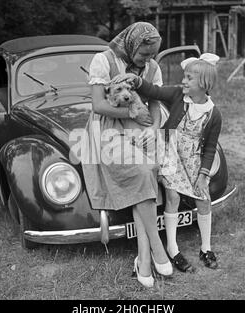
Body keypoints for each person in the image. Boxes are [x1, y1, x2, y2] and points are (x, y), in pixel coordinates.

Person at [82, 22, 173, 288]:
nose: (148, 59)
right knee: (143, 172)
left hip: (142, 128)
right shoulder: (103, 60)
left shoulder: (153, 68)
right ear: (132, 44)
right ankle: (157, 247)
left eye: (152, 54)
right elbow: (98, 105)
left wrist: (154, 128)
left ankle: (143, 260)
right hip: (108, 128)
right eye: (144, 54)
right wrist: (132, 113)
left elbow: (154, 103)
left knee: (147, 177)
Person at [115, 53, 221, 271]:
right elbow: (154, 91)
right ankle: (172, 249)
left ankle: (206, 248)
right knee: (172, 196)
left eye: (189, 78)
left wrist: (203, 174)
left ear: (203, 83)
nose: (183, 81)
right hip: (168, 151)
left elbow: (210, 147)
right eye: (185, 76)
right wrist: (137, 82)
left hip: (192, 159)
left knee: (203, 198)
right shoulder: (176, 95)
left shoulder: (214, 114)